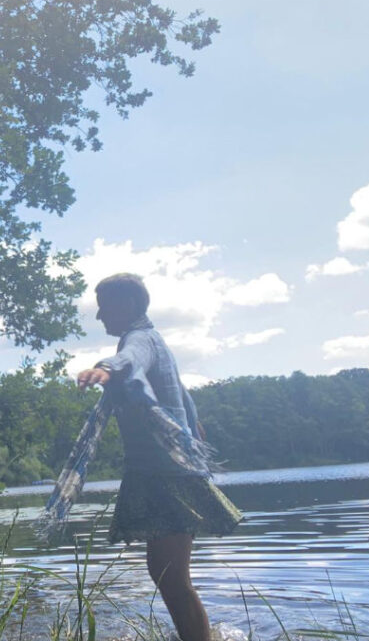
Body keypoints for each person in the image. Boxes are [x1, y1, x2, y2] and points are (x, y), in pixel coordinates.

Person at [77, 274, 241, 641]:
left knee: (172, 578)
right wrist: (193, 423)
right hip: (162, 472)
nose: (100, 316)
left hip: (167, 475)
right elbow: (178, 389)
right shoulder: (153, 338)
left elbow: (131, 359)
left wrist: (106, 369)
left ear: (130, 305)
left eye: (105, 306)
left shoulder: (140, 338)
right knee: (166, 575)